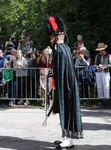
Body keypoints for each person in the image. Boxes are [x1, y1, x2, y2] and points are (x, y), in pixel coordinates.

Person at [46, 16, 83, 149]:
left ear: (55, 37)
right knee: (63, 111)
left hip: (65, 87)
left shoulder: (61, 51)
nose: (49, 40)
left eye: (51, 38)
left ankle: (68, 139)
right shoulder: (64, 48)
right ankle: (66, 137)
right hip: (65, 86)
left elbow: (61, 73)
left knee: (65, 110)